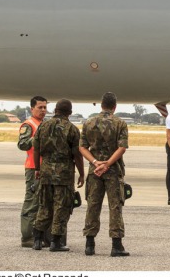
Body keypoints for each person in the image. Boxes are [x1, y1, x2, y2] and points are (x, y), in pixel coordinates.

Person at [80, 92, 130, 257]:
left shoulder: (88, 122)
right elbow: (121, 148)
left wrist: (96, 162)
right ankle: (116, 245)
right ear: (114, 107)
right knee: (115, 206)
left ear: (101, 105)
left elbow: (82, 148)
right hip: (113, 170)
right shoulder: (120, 123)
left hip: (94, 170)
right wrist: (108, 164)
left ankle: (89, 244)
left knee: (93, 205)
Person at [32, 99, 85, 251]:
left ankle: (37, 239)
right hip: (64, 174)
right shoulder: (72, 129)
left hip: (46, 171)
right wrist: (81, 173)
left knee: (45, 205)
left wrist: (37, 168)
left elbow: (36, 149)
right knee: (61, 207)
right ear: (70, 112)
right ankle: (56, 242)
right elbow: (77, 154)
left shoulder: (43, 126)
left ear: (55, 110)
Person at [17, 96, 48, 248]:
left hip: (46, 168)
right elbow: (22, 144)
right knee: (31, 202)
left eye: (44, 107)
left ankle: (41, 235)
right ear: (32, 109)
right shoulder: (28, 125)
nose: (43, 110)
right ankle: (27, 237)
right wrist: (37, 137)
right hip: (32, 167)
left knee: (44, 202)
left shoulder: (44, 124)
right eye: (40, 107)